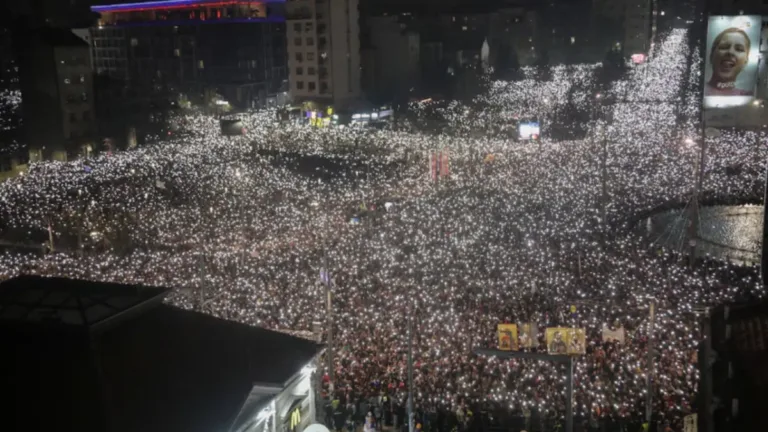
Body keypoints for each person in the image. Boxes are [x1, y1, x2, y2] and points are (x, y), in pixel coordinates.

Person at [705, 27, 754, 96]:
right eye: (724, 47)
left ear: (746, 61)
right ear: (712, 55)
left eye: (739, 49)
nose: (730, 52)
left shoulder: (747, 96)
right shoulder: (696, 90)